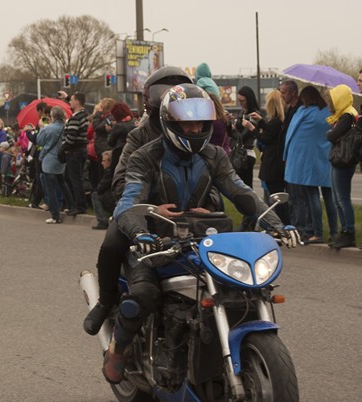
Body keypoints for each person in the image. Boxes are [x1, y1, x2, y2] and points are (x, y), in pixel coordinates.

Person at [102, 84, 301, 384]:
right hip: (153, 243)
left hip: (198, 240)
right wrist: (141, 230)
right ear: (171, 122)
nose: (195, 129)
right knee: (143, 294)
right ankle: (118, 349)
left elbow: (241, 192)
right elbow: (128, 200)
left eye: (200, 123)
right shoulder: (146, 156)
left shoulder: (213, 156)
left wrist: (275, 223)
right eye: (187, 123)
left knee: (239, 287)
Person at [84, 67, 193, 337]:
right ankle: (106, 299)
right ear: (151, 100)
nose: (169, 99)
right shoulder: (138, 136)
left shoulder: (194, 134)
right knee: (112, 242)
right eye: (164, 92)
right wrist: (150, 207)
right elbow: (120, 182)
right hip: (142, 213)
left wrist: (209, 203)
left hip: (185, 215)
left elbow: (213, 178)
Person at [283, 86, 336, 244]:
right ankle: (334, 232)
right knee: (329, 197)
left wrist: (286, 156)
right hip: (326, 159)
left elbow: (290, 135)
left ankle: (317, 233)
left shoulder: (303, 112)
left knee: (313, 196)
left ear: (305, 98)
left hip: (307, 163)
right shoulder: (329, 112)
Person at [325, 84, 358, 250]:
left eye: (332, 99)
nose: (331, 102)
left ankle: (348, 232)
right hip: (339, 159)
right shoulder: (342, 115)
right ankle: (343, 231)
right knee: (337, 199)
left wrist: (329, 133)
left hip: (344, 161)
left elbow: (332, 135)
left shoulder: (347, 115)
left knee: (342, 199)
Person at [250, 89, 289, 224]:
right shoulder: (280, 121)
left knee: (273, 200)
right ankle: (279, 223)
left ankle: (278, 224)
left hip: (272, 164)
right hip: (277, 164)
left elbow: (266, 138)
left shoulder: (276, 122)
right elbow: (270, 132)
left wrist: (252, 129)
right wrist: (261, 122)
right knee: (275, 197)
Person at [37, 105, 72, 224]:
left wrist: (41, 128)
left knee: (50, 189)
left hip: (49, 161)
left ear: (52, 116)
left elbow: (40, 141)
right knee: (63, 183)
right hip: (61, 160)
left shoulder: (49, 128)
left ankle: (55, 215)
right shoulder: (65, 127)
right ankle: (71, 206)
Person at [232, 86, 261, 230]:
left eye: (243, 101)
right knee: (242, 188)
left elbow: (246, 136)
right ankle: (248, 218)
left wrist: (243, 126)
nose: (241, 103)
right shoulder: (242, 113)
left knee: (246, 189)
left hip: (247, 154)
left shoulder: (254, 115)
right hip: (240, 153)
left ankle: (251, 219)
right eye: (239, 101)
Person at [60, 92, 89, 215]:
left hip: (74, 151)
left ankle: (79, 205)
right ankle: (76, 204)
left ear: (77, 102)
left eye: (71, 100)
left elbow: (71, 136)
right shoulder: (83, 115)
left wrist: (64, 148)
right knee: (73, 178)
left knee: (75, 180)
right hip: (79, 150)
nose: (70, 102)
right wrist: (67, 97)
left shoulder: (76, 117)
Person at [91, 150, 115, 230]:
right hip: (113, 197)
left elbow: (100, 188)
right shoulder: (113, 171)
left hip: (112, 198)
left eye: (104, 161)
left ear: (110, 162)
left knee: (95, 195)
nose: (102, 163)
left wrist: (96, 189)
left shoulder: (109, 172)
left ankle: (102, 221)